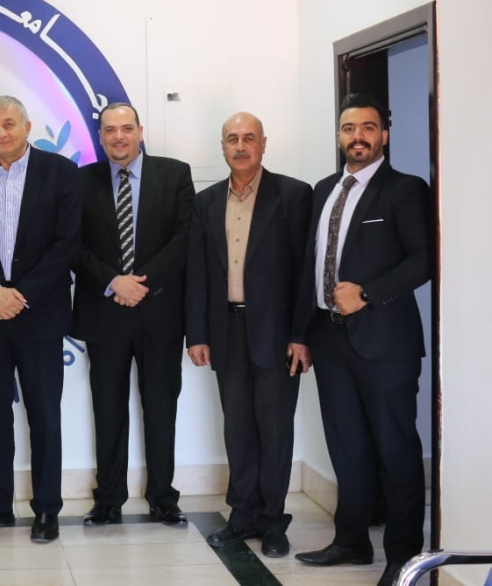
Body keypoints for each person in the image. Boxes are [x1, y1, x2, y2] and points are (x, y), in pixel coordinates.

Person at [293, 94, 432, 586]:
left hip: (385, 342)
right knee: (346, 446)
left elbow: (424, 259)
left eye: (368, 128)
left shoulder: (405, 189)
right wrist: (300, 333)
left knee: (395, 449)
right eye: (350, 128)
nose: (359, 136)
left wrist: (367, 293)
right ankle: (351, 540)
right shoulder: (324, 189)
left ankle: (403, 555)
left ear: (383, 135)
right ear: (339, 135)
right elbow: (308, 266)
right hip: (328, 339)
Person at [184, 112, 313, 558]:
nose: (240, 146)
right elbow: (197, 273)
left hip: (277, 335)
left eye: (248, 138)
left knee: (274, 430)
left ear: (263, 144)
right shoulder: (206, 201)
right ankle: (242, 516)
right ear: (222, 146)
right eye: (232, 139)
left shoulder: (293, 195)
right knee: (238, 428)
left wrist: (301, 334)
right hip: (225, 330)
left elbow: (304, 273)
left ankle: (273, 523)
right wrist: (197, 334)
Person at [0, 95, 80, 544]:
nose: (1, 132)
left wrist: (20, 295)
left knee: (44, 415)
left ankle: (46, 508)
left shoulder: (61, 172)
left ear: (28, 127)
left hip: (40, 314)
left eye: (9, 123)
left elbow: (67, 244)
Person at [72, 102, 194, 527]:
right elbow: (72, 245)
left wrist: (140, 283)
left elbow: (184, 239)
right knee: (107, 411)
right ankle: (108, 499)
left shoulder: (175, 174)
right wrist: (113, 282)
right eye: (110, 130)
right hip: (104, 312)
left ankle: (163, 497)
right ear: (100, 136)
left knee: (160, 409)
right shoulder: (81, 180)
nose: (118, 137)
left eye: (126, 129)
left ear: (140, 131)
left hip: (159, 312)